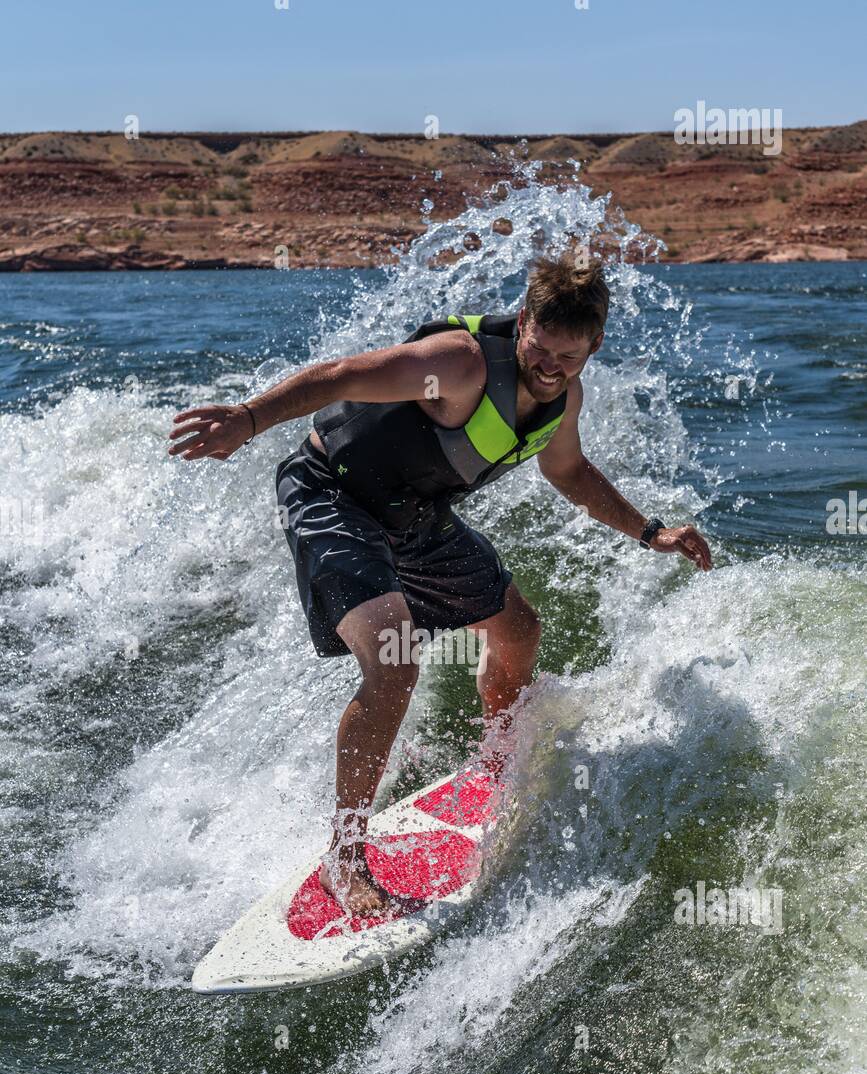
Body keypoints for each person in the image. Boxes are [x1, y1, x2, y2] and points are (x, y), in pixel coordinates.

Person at [169, 252, 712, 914]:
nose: (550, 368)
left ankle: (493, 769)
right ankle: (344, 859)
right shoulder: (458, 363)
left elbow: (569, 473)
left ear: (593, 346)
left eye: (567, 358)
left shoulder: (564, 396)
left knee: (517, 629)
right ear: (521, 325)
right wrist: (248, 420)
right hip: (329, 494)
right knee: (395, 664)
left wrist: (649, 531)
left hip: (411, 514)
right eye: (540, 350)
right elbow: (341, 375)